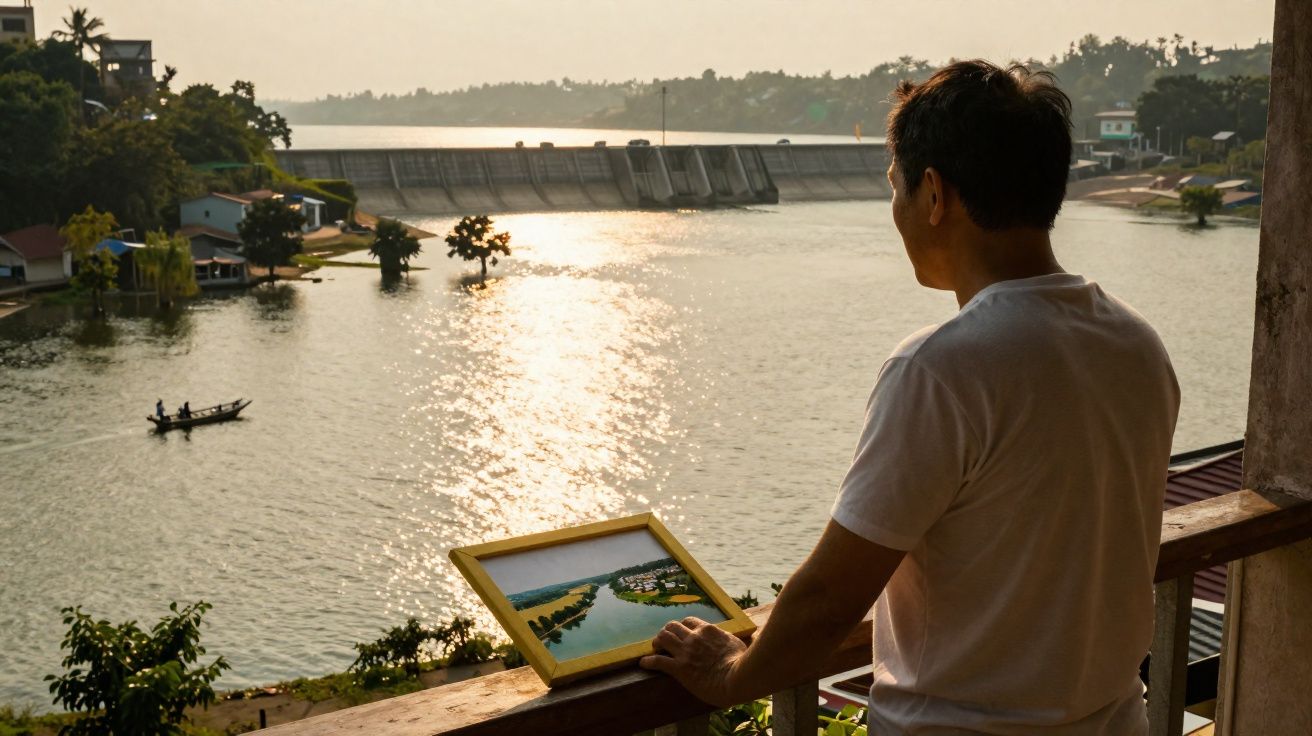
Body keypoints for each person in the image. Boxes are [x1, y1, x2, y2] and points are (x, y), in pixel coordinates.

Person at [640, 60, 1180, 735]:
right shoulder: (1137, 342)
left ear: (932, 195)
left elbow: (833, 595)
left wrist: (731, 672)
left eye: (894, 187)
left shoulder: (941, 368)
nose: (894, 211)